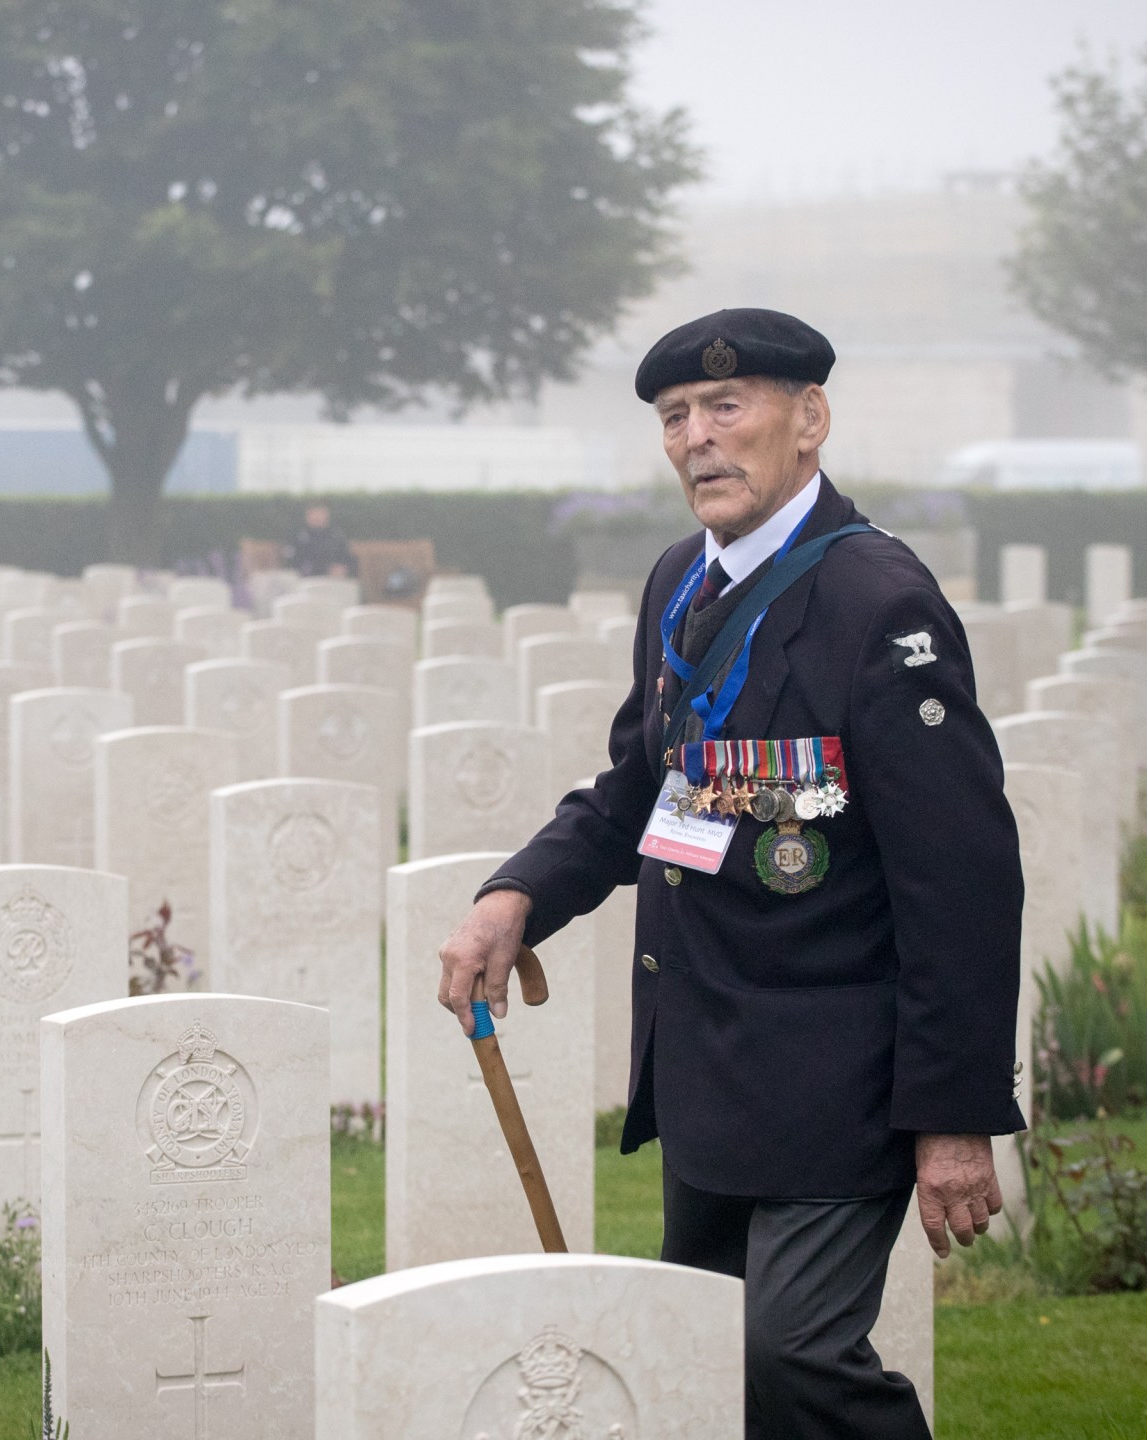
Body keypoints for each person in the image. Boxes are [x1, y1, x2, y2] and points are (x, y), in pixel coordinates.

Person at [436, 308, 1022, 1439]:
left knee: (790, 1352)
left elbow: (961, 882)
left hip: (838, 1079)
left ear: (809, 421)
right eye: (674, 417)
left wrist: (953, 1118)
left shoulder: (876, 603)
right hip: (706, 1067)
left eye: (726, 406)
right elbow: (637, 789)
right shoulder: (674, 582)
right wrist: (516, 895)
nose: (697, 438)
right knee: (709, 1371)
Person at [282, 502, 354, 578]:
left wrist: (343, 568)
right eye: (315, 513)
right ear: (307, 516)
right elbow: (291, 561)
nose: (318, 517)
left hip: (332, 580)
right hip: (304, 579)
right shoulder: (296, 536)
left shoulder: (336, 536)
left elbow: (347, 558)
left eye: (321, 513)